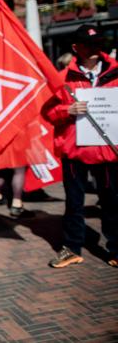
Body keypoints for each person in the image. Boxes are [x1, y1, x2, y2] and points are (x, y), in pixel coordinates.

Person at [42, 24, 118, 268]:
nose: (95, 48)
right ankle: (72, 248)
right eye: (88, 44)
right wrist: (67, 110)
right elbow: (48, 112)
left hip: (107, 149)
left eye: (98, 43)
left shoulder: (116, 73)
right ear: (76, 48)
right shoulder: (63, 78)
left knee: (111, 201)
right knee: (74, 202)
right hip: (74, 150)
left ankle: (116, 249)